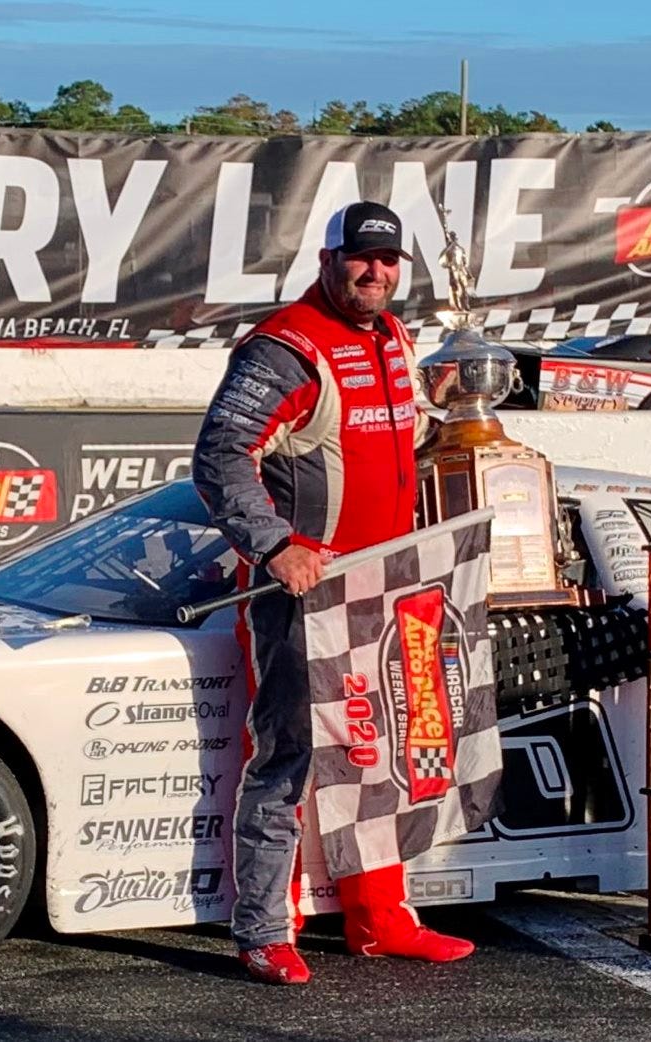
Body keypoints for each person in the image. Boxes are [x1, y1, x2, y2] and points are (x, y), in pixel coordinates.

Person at [191, 201, 474, 986]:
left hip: (388, 590)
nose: (376, 272)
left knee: (380, 757)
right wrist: (276, 545)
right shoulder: (286, 345)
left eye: (388, 262)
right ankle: (261, 930)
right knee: (289, 756)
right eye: (362, 258)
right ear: (328, 258)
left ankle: (381, 920)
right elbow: (219, 457)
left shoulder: (392, 336)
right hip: (302, 595)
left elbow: (390, 449)